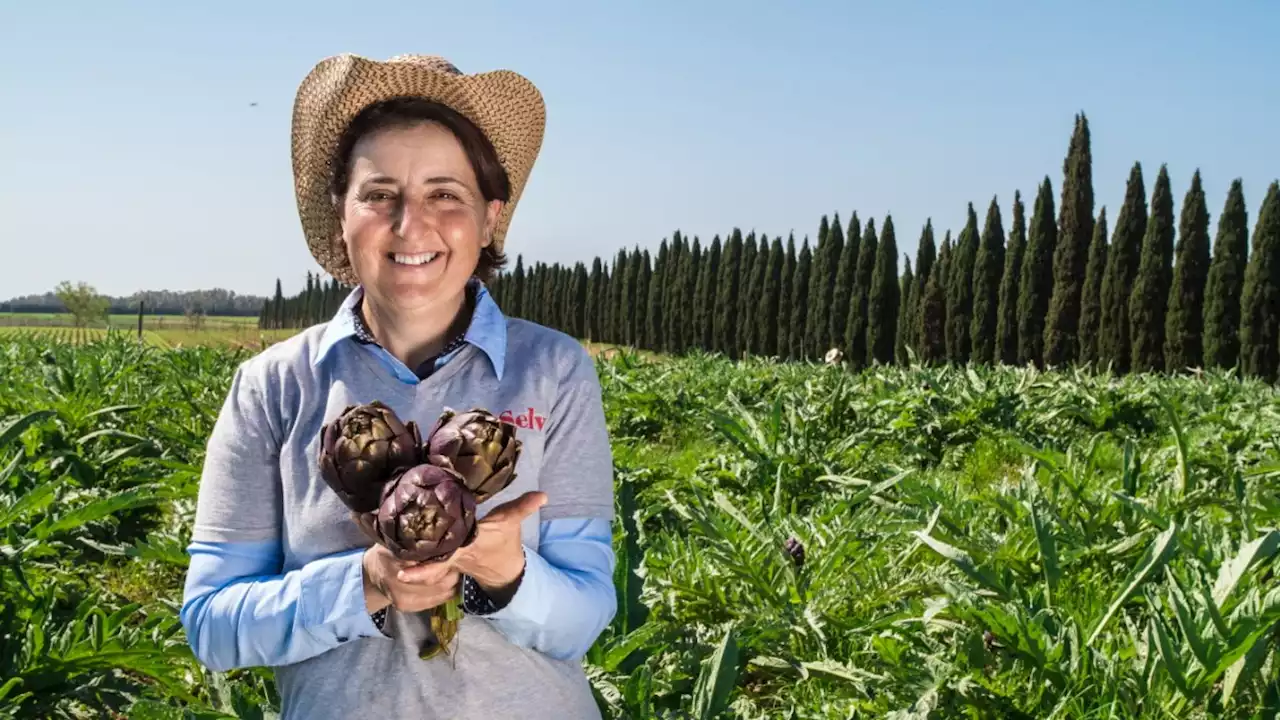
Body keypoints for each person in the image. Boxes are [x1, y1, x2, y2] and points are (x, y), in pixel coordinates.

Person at [180, 53, 617, 720]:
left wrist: (508, 576)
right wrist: (365, 582)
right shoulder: (271, 388)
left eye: (446, 193)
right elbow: (212, 625)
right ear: (341, 213)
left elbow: (586, 618)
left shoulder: (555, 372)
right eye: (380, 194)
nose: (411, 224)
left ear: (490, 216)